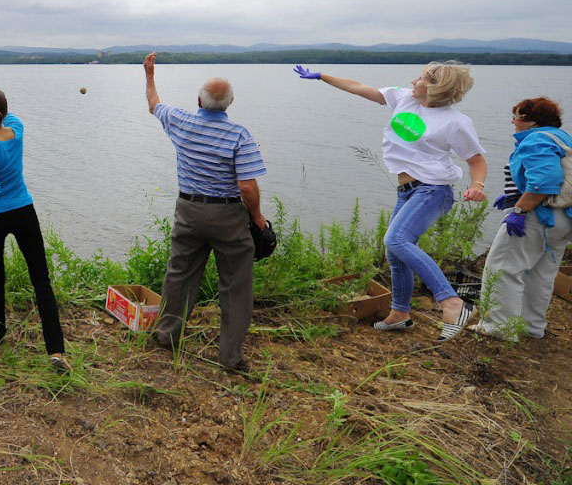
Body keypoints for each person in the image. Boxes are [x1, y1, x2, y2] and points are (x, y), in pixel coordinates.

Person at [293, 62, 488, 340]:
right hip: (407, 190)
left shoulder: (455, 122)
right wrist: (322, 76)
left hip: (433, 190)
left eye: (421, 79)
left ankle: (453, 303)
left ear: (436, 87)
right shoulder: (405, 98)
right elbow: (361, 89)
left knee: (397, 241)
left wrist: (477, 185)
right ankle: (399, 314)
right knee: (395, 254)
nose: (413, 81)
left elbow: (476, 160)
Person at [144, 53, 268, 373]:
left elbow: (154, 103)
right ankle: (230, 358)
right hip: (227, 217)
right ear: (230, 103)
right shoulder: (239, 136)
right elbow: (247, 188)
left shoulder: (180, 121)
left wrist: (149, 74)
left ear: (198, 99)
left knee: (179, 274)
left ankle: (167, 335)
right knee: (235, 285)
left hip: (188, 211)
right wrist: (257, 220)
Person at [0, 78, 72, 374]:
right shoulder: (17, 129)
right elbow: (2, 110)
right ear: (4, 113)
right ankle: (56, 350)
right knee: (41, 281)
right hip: (24, 210)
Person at [472, 97, 572, 341]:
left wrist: (519, 210)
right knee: (540, 273)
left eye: (516, 116)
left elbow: (546, 180)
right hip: (565, 219)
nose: (512, 121)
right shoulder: (563, 138)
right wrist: (513, 196)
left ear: (530, 120)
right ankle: (531, 326)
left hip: (540, 215)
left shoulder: (535, 139)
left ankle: (498, 326)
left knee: (502, 267)